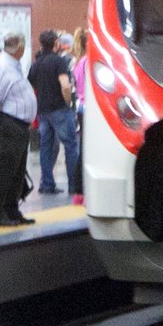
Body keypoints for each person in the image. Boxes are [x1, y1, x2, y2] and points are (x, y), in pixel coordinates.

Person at [0, 32, 38, 226]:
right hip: (7, 126)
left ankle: (11, 210)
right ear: (21, 49)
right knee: (3, 171)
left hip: (19, 127)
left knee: (17, 171)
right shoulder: (1, 67)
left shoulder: (12, 66)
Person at [29, 28, 79, 196]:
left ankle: (47, 185)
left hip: (43, 111)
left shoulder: (37, 64)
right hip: (59, 109)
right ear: (56, 43)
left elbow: (31, 83)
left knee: (46, 148)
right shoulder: (59, 62)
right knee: (71, 146)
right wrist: (68, 101)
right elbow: (65, 84)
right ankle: (74, 185)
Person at [71, 27, 89, 203]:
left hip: (81, 107)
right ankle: (80, 190)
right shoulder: (88, 62)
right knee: (86, 151)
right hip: (89, 108)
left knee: (83, 149)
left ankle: (79, 191)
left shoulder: (78, 62)